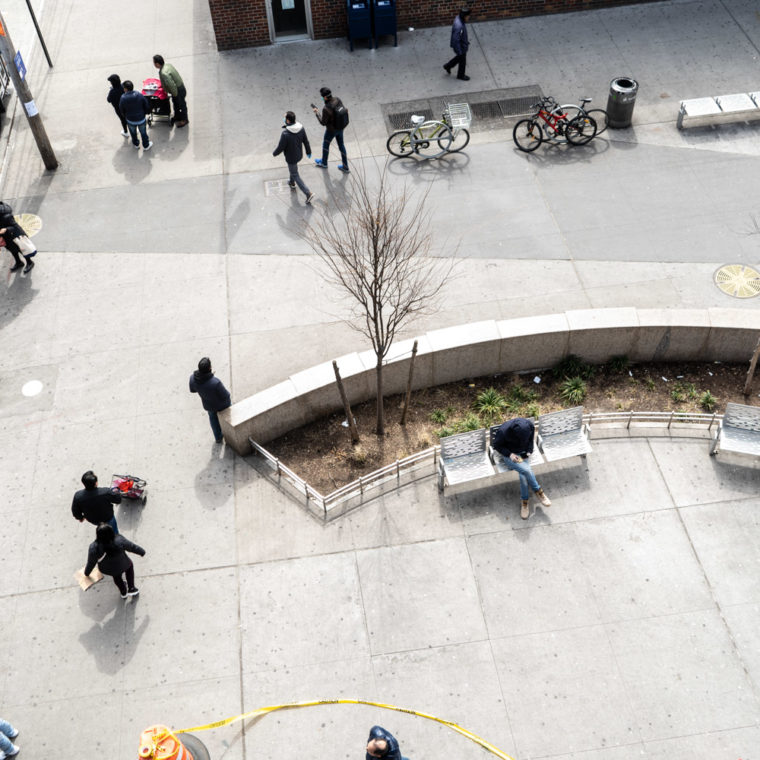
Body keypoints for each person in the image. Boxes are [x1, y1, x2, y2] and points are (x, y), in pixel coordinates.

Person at [492, 416, 552, 520]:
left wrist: (529, 451)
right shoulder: (504, 431)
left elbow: (530, 440)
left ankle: (525, 502)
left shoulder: (529, 425)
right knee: (527, 470)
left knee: (524, 475)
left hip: (523, 454)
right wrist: (510, 454)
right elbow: (496, 445)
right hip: (510, 456)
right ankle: (538, 491)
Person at [84, 523, 145, 599]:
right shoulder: (119, 540)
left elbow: (91, 562)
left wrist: (86, 573)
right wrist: (141, 552)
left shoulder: (94, 547)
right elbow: (132, 547)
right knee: (130, 567)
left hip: (108, 569)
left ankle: (123, 592)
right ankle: (131, 588)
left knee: (116, 577)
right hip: (124, 563)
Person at [273, 111, 314, 204]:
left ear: (287, 120)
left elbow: (281, 147)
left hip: (291, 157)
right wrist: (308, 151)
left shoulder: (285, 134)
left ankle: (308, 193)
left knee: (295, 173)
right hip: (299, 154)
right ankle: (292, 183)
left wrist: (274, 153)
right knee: (293, 170)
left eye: (284, 117)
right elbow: (306, 141)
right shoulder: (301, 128)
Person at [189, 357, 231, 443]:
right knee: (228, 416)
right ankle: (230, 435)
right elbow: (225, 396)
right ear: (210, 368)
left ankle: (218, 437)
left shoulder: (193, 378)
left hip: (208, 405)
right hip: (222, 405)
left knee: (213, 419)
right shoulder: (215, 382)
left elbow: (192, 389)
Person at [312, 87, 349, 173]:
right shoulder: (337, 99)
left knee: (326, 144)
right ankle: (345, 166)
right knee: (341, 146)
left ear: (325, 97)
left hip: (331, 130)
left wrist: (317, 113)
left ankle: (324, 163)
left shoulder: (326, 108)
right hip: (341, 127)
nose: (321, 98)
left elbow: (323, 122)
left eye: (322, 96)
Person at [0, 200, 37, 274]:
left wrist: (6, 229)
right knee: (13, 250)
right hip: (6, 237)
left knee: (21, 250)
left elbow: (16, 227)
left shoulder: (6, 216)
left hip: (15, 236)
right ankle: (19, 262)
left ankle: (29, 262)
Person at [153, 54, 188, 127]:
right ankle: (177, 116)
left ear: (157, 64)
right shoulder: (167, 65)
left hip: (177, 90)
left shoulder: (164, 73)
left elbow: (171, 85)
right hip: (179, 87)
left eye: (154, 63)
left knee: (181, 105)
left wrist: (175, 95)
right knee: (176, 104)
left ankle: (184, 120)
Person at [119, 80, 153, 151]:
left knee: (133, 133)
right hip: (141, 119)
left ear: (125, 89)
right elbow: (146, 105)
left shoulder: (123, 98)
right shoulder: (139, 95)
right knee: (143, 133)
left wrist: (125, 116)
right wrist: (145, 113)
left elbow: (121, 110)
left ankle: (136, 144)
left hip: (130, 120)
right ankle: (146, 145)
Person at [443, 8, 471, 81]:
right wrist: (459, 51)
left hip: (461, 45)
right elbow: (456, 40)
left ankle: (448, 66)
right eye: (468, 16)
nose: (469, 17)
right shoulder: (459, 26)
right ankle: (460, 75)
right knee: (462, 60)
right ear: (464, 16)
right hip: (460, 46)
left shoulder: (459, 19)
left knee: (459, 58)